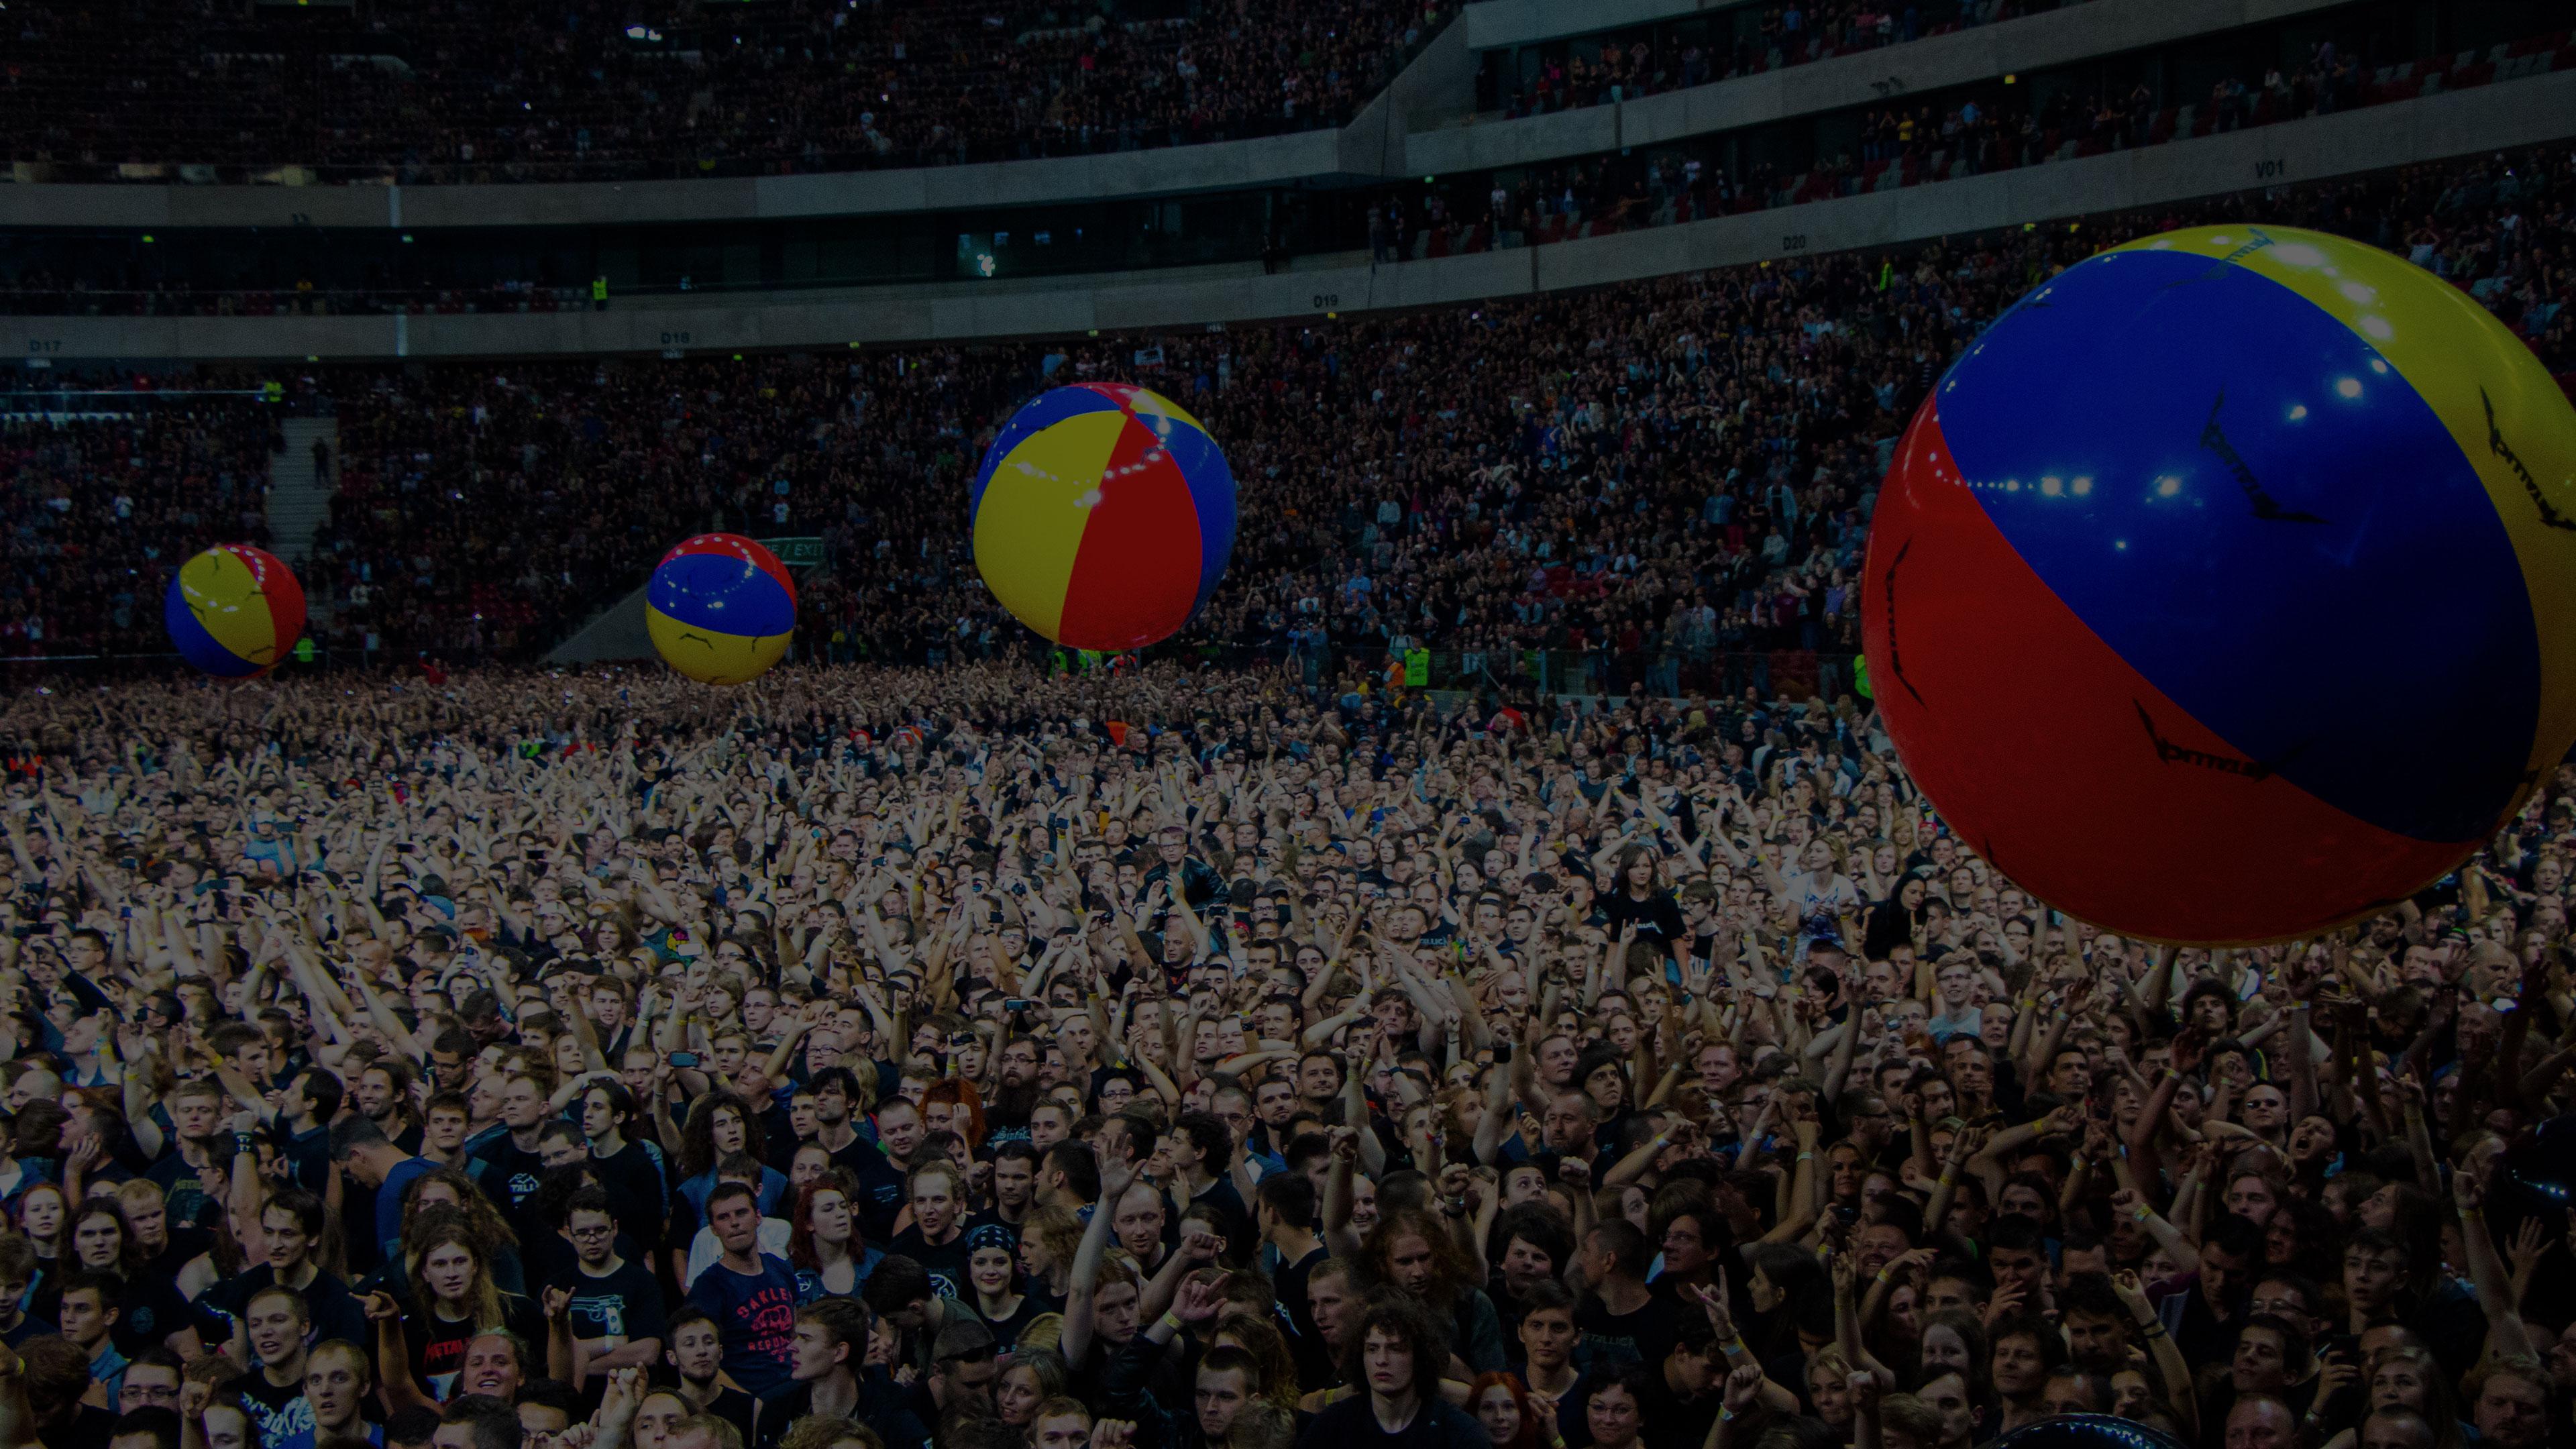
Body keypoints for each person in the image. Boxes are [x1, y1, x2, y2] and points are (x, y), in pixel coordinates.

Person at [684, 1185, 799, 1401]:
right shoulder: (707, 1287)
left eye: (741, 1213)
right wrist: (749, 1404)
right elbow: (704, 1364)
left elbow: (795, 1332)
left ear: (758, 1217)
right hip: (747, 1399)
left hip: (796, 1388)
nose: (734, 1223)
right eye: (724, 1217)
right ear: (713, 1229)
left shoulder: (780, 1268)